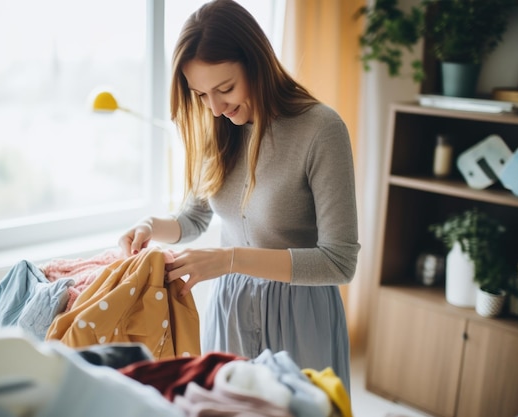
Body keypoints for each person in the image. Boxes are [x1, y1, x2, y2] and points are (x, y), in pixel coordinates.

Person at [118, 0, 360, 393]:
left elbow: (339, 261)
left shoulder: (321, 129)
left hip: (300, 311)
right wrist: (150, 226)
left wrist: (229, 259)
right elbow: (194, 219)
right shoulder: (216, 129)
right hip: (230, 307)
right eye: (200, 94)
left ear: (257, 64)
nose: (214, 107)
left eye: (225, 88)